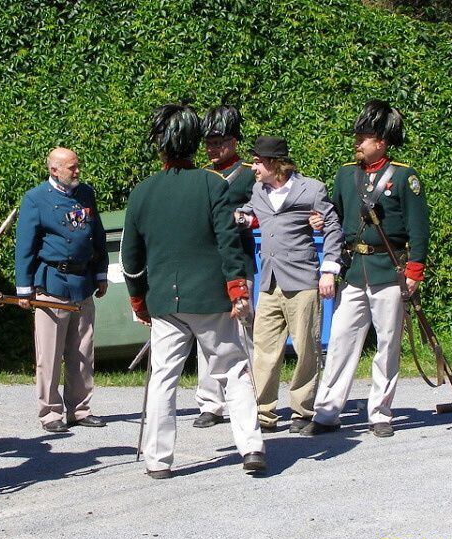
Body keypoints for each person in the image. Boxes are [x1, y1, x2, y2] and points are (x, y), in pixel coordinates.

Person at [120, 103, 265, 479]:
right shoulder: (213, 184)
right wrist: (238, 290)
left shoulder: (142, 192)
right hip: (211, 299)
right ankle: (251, 446)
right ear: (194, 144)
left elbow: (131, 259)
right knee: (233, 369)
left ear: (161, 146)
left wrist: (138, 300)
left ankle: (158, 459)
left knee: (163, 378)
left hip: (164, 301)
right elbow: (228, 242)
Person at [301, 100, 429, 438]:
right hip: (355, 270)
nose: (357, 143)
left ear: (382, 142)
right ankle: (327, 413)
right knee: (340, 341)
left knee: (387, 345)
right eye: (357, 137)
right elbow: (335, 214)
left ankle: (380, 413)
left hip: (389, 270)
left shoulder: (404, 176)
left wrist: (414, 271)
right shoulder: (346, 173)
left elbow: (418, 229)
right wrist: (320, 219)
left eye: (364, 138)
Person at [235, 136, 343, 432]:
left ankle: (302, 411)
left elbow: (332, 227)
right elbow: (249, 214)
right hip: (269, 282)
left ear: (273, 163)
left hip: (302, 279)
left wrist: (329, 270)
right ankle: (263, 413)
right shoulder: (258, 190)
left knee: (307, 348)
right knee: (264, 348)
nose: (253, 167)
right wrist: (236, 217)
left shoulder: (312, 189)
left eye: (257, 162)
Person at [15, 147, 109, 433]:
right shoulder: (35, 199)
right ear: (54, 170)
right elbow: (25, 246)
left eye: (77, 165)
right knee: (50, 355)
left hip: (83, 283)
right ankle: (50, 412)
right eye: (71, 167)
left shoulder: (86, 193)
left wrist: (101, 274)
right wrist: (24, 289)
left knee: (82, 352)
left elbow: (98, 235)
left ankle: (80, 409)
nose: (77, 171)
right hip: (52, 285)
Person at [192, 105, 256, 429]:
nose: (212, 149)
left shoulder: (249, 174)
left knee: (244, 331)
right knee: (206, 335)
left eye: (218, 143)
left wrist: (240, 219)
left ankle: (250, 396)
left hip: (239, 260)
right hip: (208, 264)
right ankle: (210, 403)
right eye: (209, 143)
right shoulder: (202, 176)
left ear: (233, 142)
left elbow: (263, 213)